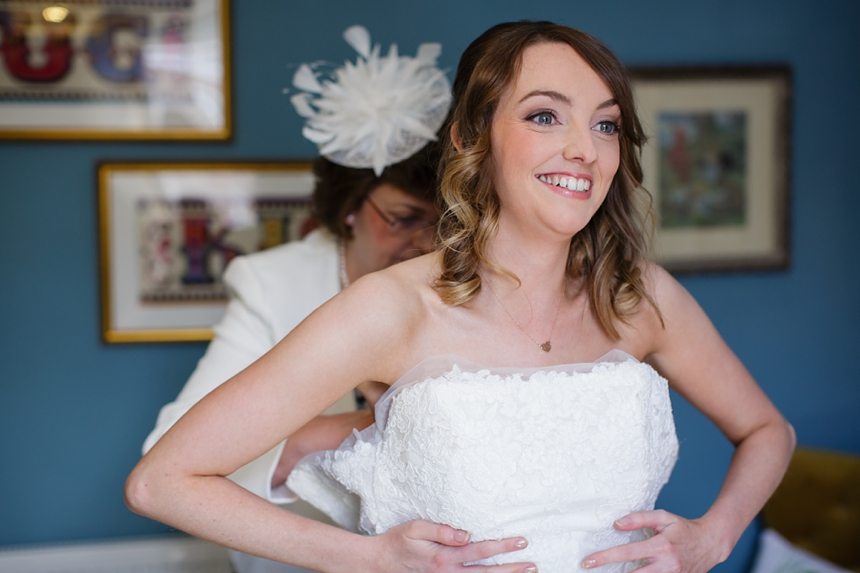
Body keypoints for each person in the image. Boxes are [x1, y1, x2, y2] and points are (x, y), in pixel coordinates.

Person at [127, 20, 795, 573]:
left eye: (606, 125)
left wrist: (714, 534)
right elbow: (161, 479)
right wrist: (369, 557)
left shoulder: (639, 294)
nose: (583, 150)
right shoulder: (391, 308)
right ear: (472, 137)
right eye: (544, 116)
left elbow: (770, 430)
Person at [139, 25, 451, 573]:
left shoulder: (466, 283)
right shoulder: (271, 284)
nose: (425, 243)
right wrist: (331, 435)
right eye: (403, 219)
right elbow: (164, 459)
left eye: (445, 225)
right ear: (350, 207)